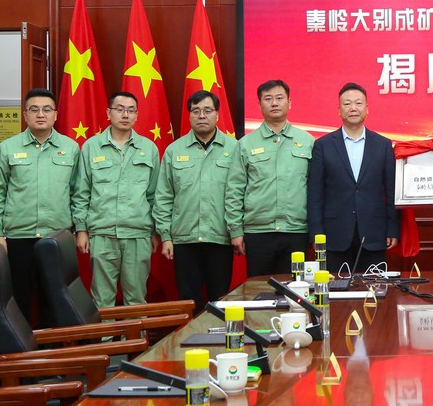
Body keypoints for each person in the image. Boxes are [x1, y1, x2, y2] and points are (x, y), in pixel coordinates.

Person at [0, 88, 78, 326]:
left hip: (57, 237)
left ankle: (51, 346)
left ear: (55, 115)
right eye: (34, 109)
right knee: (20, 299)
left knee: (55, 299)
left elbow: (78, 194)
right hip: (19, 237)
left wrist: (78, 230)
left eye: (47, 109)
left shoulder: (71, 148)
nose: (41, 114)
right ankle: (22, 347)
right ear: (25, 114)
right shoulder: (8, 148)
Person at [73, 91, 160, 307]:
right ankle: (106, 333)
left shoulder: (148, 148)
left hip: (137, 234)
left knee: (136, 300)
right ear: (108, 113)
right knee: (102, 301)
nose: (125, 115)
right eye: (120, 109)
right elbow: (82, 192)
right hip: (102, 234)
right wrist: (81, 229)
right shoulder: (91, 147)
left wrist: (155, 230)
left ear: (137, 115)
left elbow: (154, 195)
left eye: (131, 110)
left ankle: (134, 332)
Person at [153, 90, 237, 310]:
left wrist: (237, 231)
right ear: (189, 115)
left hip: (220, 238)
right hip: (184, 240)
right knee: (188, 302)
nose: (202, 116)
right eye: (196, 111)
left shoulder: (234, 149)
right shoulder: (174, 150)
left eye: (207, 110)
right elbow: (164, 196)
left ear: (217, 114)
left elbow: (240, 194)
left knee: (220, 301)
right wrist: (166, 236)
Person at [307, 82, 398, 273]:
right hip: (334, 234)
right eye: (347, 104)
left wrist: (392, 229)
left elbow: (391, 191)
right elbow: (315, 194)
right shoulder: (323, 146)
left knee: (374, 287)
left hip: (374, 232)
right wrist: (316, 232)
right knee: (336, 286)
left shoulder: (383, 145)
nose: (353, 108)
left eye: (358, 103)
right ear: (339, 110)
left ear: (367, 108)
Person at [226, 80, 313, 278]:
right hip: (258, 233)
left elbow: (315, 189)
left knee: (294, 289)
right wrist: (236, 231)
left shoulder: (307, 141)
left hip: (296, 231)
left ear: (289, 102)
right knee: (257, 289)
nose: (274, 103)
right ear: (259, 105)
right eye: (268, 99)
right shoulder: (246, 144)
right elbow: (234, 190)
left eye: (279, 98)